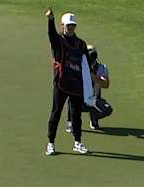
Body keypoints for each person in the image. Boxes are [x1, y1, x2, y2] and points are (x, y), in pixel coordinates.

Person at [45, 8, 92, 155]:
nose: (70, 28)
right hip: (61, 83)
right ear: (62, 25)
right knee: (56, 112)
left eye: (73, 25)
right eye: (68, 25)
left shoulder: (81, 44)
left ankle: (78, 142)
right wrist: (50, 20)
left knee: (76, 114)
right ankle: (50, 143)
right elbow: (51, 35)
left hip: (76, 84)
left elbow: (85, 64)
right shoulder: (58, 41)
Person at [66, 45, 110, 131]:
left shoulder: (101, 68)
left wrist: (95, 78)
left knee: (108, 110)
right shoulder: (77, 67)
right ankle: (70, 122)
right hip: (79, 99)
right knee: (71, 99)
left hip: (94, 100)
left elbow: (106, 85)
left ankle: (94, 118)